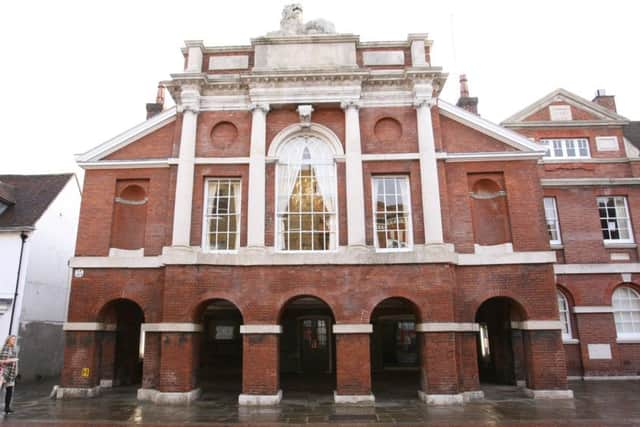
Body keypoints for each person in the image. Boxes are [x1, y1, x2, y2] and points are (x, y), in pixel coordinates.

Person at [0, 336, 18, 414]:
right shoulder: (4, 348)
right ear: (8, 340)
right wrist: (8, 361)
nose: (14, 341)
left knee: (9, 390)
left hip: (11, 372)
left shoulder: (14, 349)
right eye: (12, 339)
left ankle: (7, 408)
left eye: (14, 340)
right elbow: (1, 361)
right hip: (4, 372)